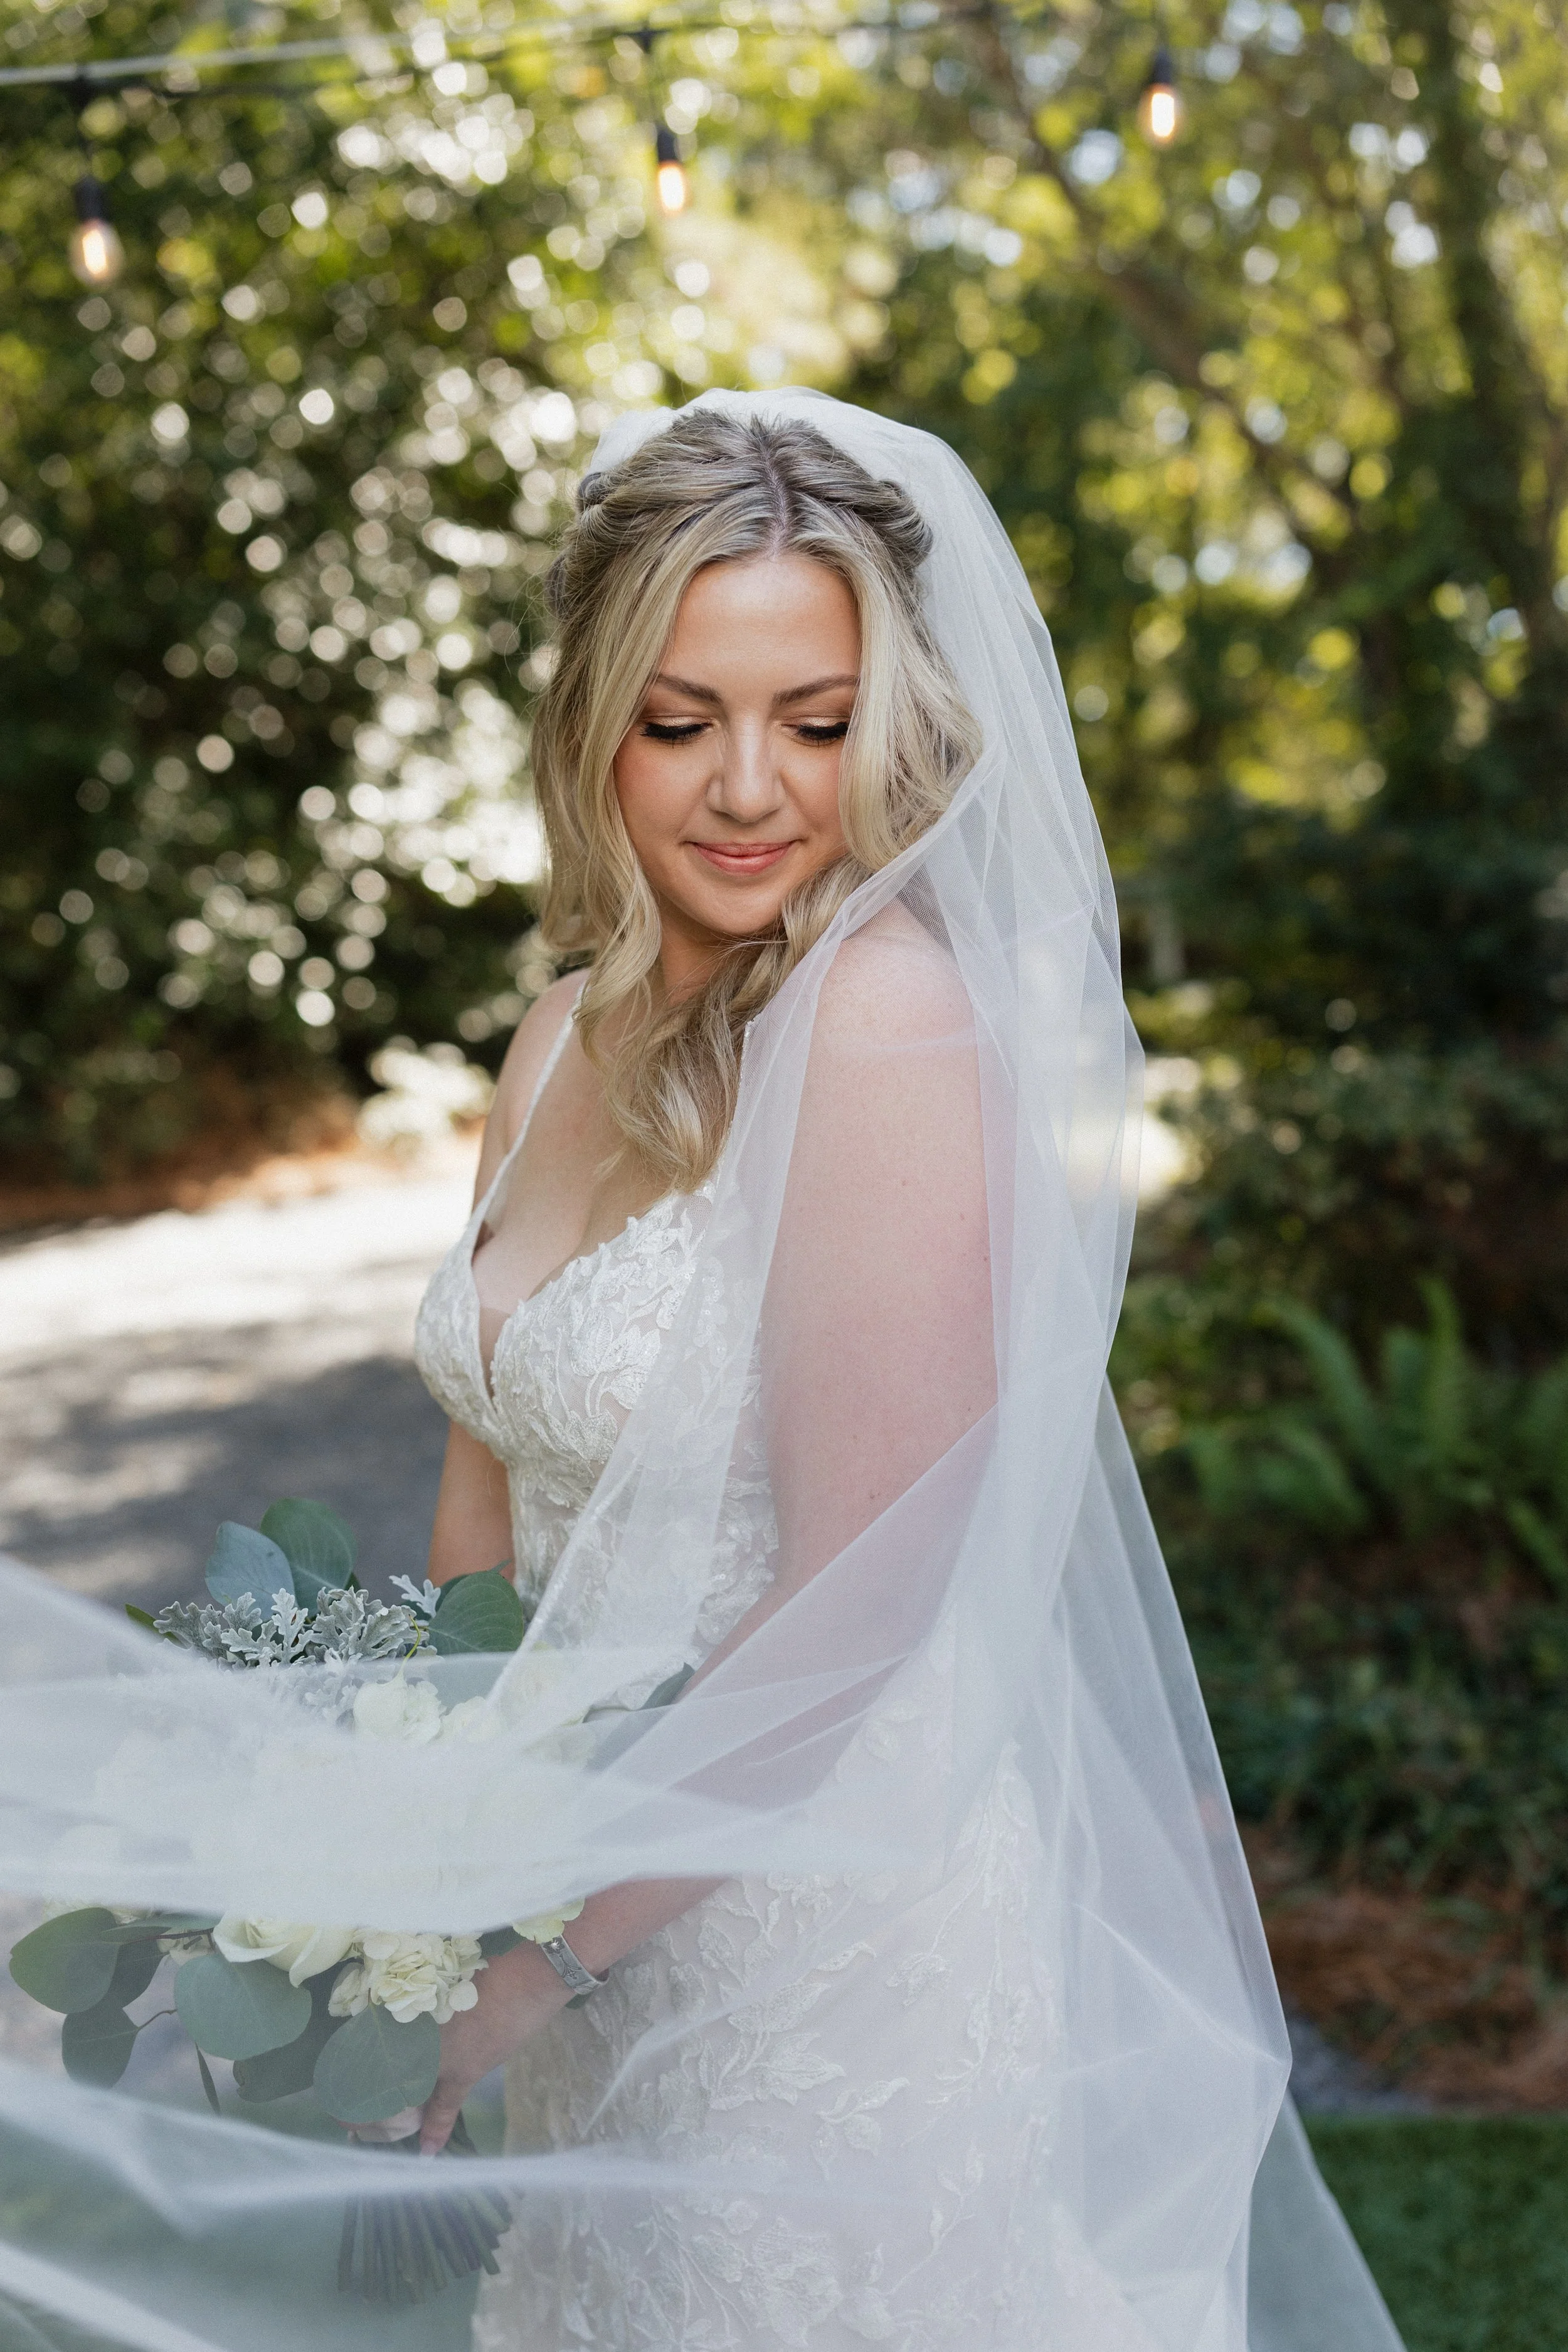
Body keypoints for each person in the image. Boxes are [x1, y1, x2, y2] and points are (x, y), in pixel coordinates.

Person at [0, 390, 1405, 2352]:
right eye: (681, 720)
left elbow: (868, 1588)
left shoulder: (888, 1028)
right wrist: (403, 1874)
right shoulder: (558, 1032)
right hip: (594, 1914)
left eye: (814, 722)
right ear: (593, 727)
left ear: (889, 722)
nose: (750, 786)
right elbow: (484, 1482)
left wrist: (525, 1954)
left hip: (822, 1947)